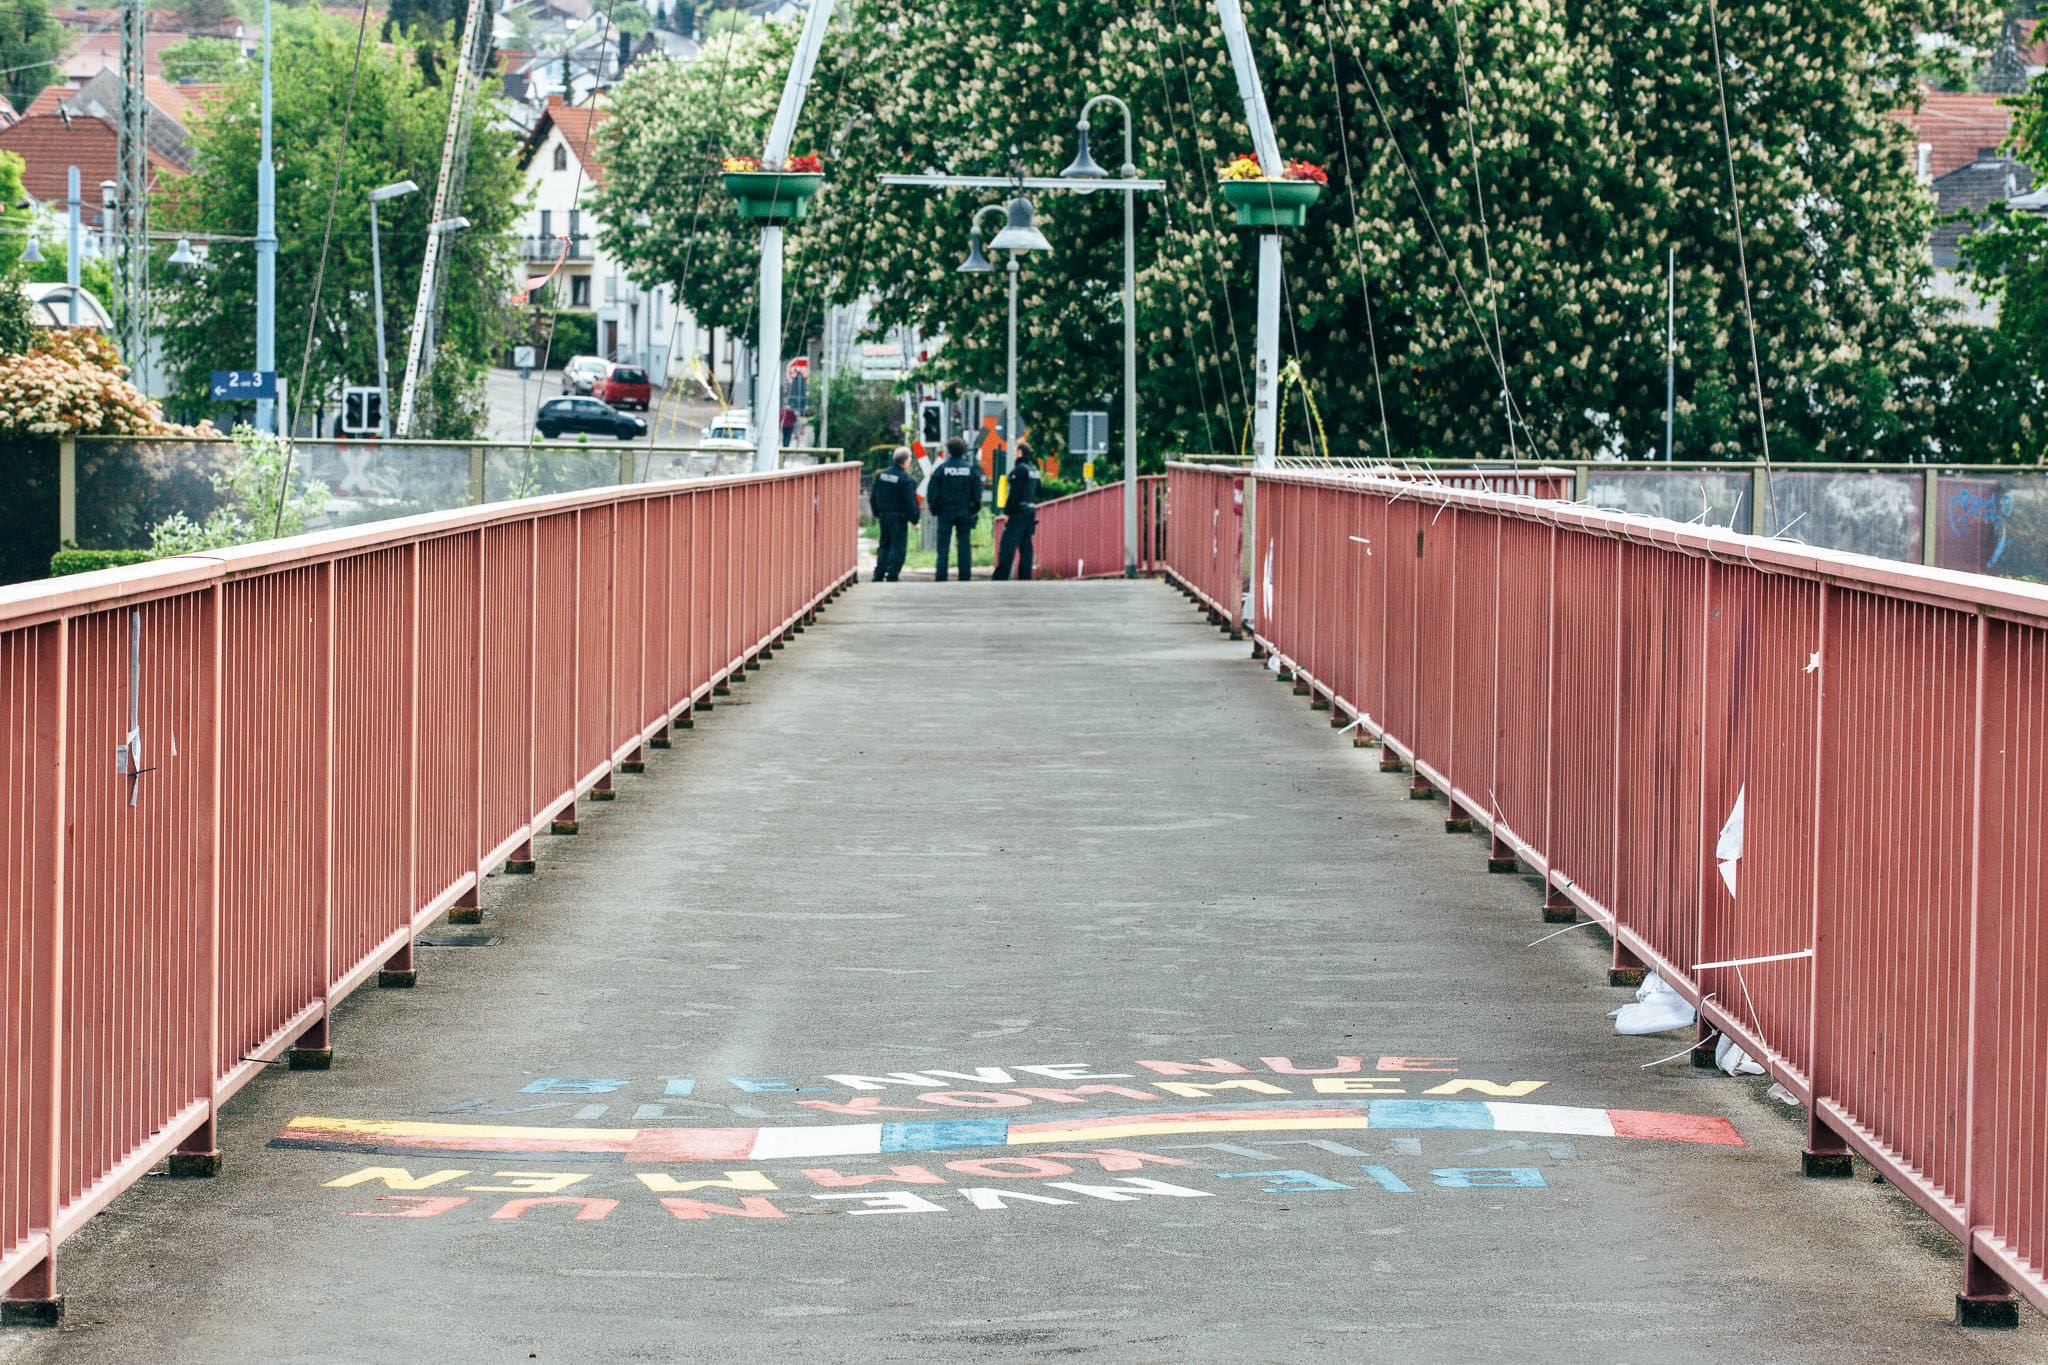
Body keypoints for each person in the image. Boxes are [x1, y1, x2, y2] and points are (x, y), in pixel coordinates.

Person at [926, 434, 983, 582]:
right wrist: (973, 509)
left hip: (945, 512)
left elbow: (932, 492)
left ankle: (941, 576)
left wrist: (935, 509)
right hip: (964, 511)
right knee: (964, 544)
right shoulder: (970, 470)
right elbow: (977, 492)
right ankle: (965, 576)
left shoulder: (941, 469)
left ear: (949, 451)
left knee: (943, 547)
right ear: (963, 451)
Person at [992, 447, 1041, 581]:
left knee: (1007, 546)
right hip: (1030, 511)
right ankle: (1025, 577)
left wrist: (1007, 512)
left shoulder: (1019, 470)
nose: (1013, 455)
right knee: (1026, 546)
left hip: (1017, 513)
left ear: (1020, 452)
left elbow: (1014, 494)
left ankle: (1000, 577)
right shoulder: (1034, 471)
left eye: (1014, 452)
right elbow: (1039, 491)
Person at [869, 447, 919, 582]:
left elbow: (873, 497)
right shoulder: (906, 480)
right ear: (906, 461)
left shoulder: (881, 475)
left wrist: (877, 513)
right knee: (898, 546)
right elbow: (910, 503)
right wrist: (915, 520)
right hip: (899, 517)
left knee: (884, 544)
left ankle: (878, 573)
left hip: (884, 515)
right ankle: (892, 574)